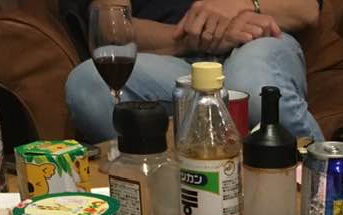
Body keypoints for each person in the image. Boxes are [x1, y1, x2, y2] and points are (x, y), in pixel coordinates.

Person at [61, 0, 323, 142]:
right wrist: (198, 37)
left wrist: (243, 5)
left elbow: (307, 8)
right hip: (172, 55)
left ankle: (326, 191)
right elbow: (109, 24)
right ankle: (172, 196)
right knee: (88, 84)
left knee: (249, 88)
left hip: (257, 41)